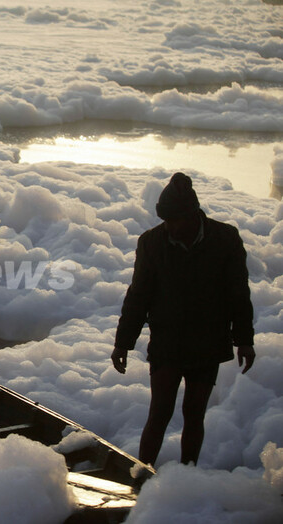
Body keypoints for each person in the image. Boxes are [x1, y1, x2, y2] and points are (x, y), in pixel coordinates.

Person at [111, 172, 255, 467]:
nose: (171, 227)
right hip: (167, 342)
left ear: (193, 214)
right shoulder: (152, 243)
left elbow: (238, 294)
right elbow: (138, 296)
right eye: (166, 220)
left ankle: (187, 473)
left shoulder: (225, 239)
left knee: (194, 413)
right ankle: (141, 477)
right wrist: (123, 343)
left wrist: (244, 341)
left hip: (209, 342)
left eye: (176, 220)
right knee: (159, 412)